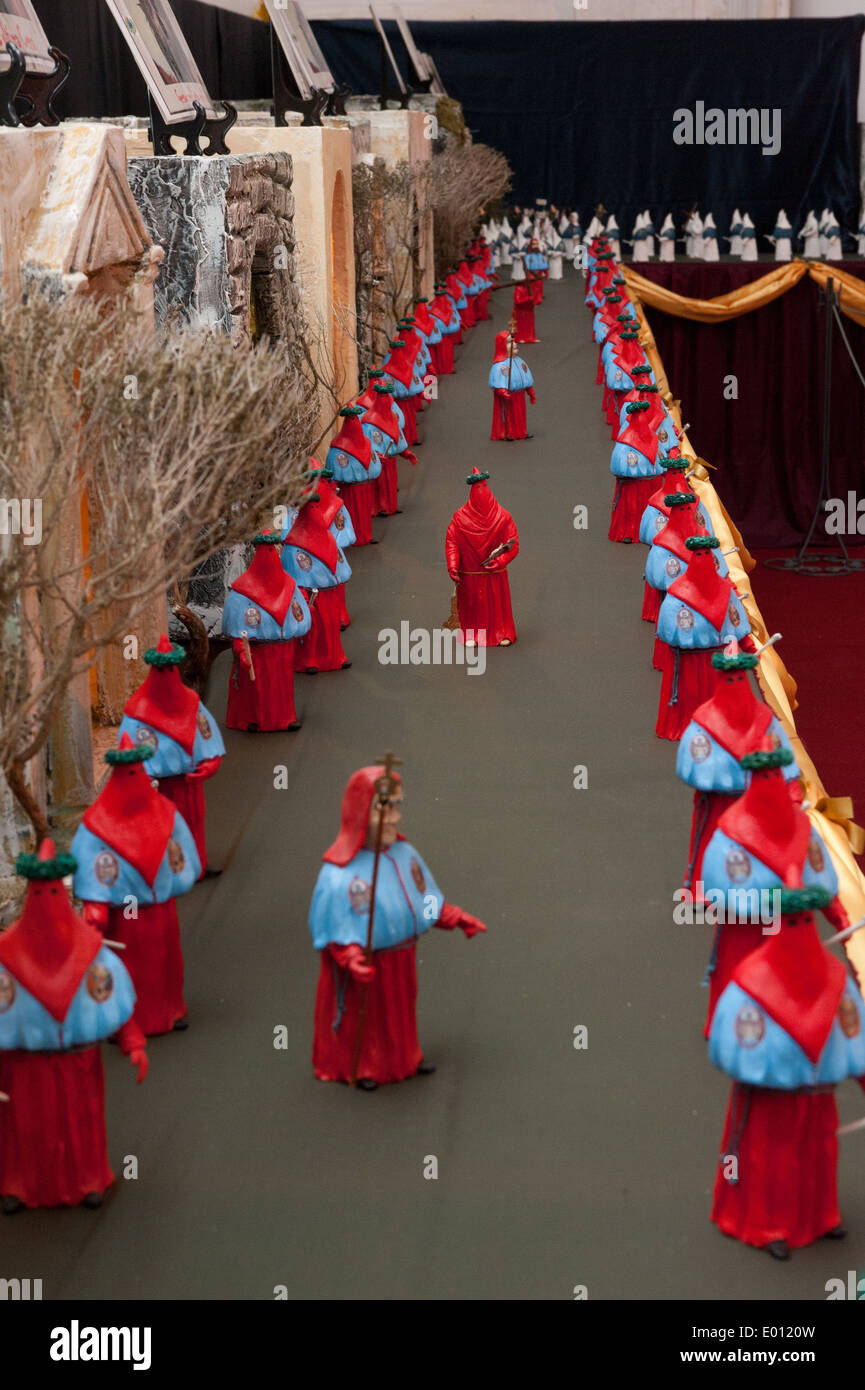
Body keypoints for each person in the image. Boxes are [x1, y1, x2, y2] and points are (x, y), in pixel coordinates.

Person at [708, 885, 864, 1258]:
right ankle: (767, 1223)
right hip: (770, 1097)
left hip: (817, 1092)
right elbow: (731, 1040)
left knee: (820, 1153)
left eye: (806, 922)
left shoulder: (834, 978)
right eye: (790, 922)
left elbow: (852, 1029)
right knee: (768, 1160)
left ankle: (821, 1215)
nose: (799, 929)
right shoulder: (750, 981)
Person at [308, 762, 487, 1088]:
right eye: (384, 807)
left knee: (400, 1014)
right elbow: (333, 929)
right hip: (368, 962)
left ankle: (405, 1058)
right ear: (361, 810)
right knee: (368, 1017)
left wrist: (455, 917)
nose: (394, 815)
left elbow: (425, 900)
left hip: (401, 958)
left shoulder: (405, 854)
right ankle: (364, 1067)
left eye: (397, 805)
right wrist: (351, 958)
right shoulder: (339, 874)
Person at [0, 840, 147, 1212]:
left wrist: (132, 1041)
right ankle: (20, 1185)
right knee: (26, 1129)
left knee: (79, 1123)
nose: (47, 902)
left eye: (54, 892)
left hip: (76, 1063)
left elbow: (112, 997)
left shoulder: (91, 951)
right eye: (40, 894)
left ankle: (87, 1180)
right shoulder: (6, 955)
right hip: (22, 1066)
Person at [71, 737, 200, 1036]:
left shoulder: (162, 812)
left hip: (159, 906)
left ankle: (167, 1009)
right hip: (127, 909)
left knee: (166, 958)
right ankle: (129, 1021)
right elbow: (93, 866)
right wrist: (96, 907)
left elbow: (178, 848)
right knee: (132, 959)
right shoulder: (97, 825)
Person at [119, 633, 225, 879]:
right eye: (161, 670)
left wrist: (210, 763)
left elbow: (206, 734)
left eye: (170, 669)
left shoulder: (191, 703)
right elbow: (128, 750)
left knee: (194, 822)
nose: (166, 675)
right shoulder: (137, 713)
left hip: (189, 781)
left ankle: (197, 862)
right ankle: (169, 870)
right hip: (158, 785)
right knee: (163, 826)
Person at [655, 541, 751, 740]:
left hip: (720, 656)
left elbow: (735, 618)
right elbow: (668, 628)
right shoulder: (677, 595)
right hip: (690, 659)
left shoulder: (726, 591)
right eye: (698, 555)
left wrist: (746, 643)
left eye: (707, 554)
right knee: (690, 695)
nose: (703, 560)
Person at [222, 532, 311, 730]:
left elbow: (297, 613)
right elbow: (238, 631)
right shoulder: (241, 594)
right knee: (257, 688)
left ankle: (285, 718)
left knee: (281, 687)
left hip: (282, 652)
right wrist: (241, 651)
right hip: (258, 652)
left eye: (273, 551)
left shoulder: (289, 586)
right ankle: (252, 720)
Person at [445, 468, 519, 648]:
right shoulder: (460, 519)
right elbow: (452, 542)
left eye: (484, 487)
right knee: (472, 604)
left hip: (494, 573)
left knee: (496, 605)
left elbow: (513, 545)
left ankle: (502, 632)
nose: (481, 492)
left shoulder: (503, 517)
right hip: (470, 573)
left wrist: (500, 561)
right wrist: (453, 565)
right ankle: (472, 633)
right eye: (478, 488)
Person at [282, 496, 352, 674]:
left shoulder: (328, 539)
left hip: (329, 592)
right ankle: (309, 660)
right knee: (312, 631)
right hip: (309, 594)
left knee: (329, 627)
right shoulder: (293, 545)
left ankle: (335, 657)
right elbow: (291, 571)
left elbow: (339, 563)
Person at [326, 404, 383, 548]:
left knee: (364, 512)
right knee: (352, 512)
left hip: (363, 485)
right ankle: (353, 537)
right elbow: (333, 470)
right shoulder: (338, 448)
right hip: (349, 489)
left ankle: (365, 536)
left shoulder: (364, 443)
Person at [488, 329, 535, 442]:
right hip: (509, 396)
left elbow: (525, 377)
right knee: (509, 415)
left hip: (519, 395)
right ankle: (507, 432)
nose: (514, 343)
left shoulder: (520, 361)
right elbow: (497, 383)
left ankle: (521, 431)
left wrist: (530, 391)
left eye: (513, 341)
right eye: (509, 342)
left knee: (520, 415)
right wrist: (503, 392)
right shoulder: (500, 366)